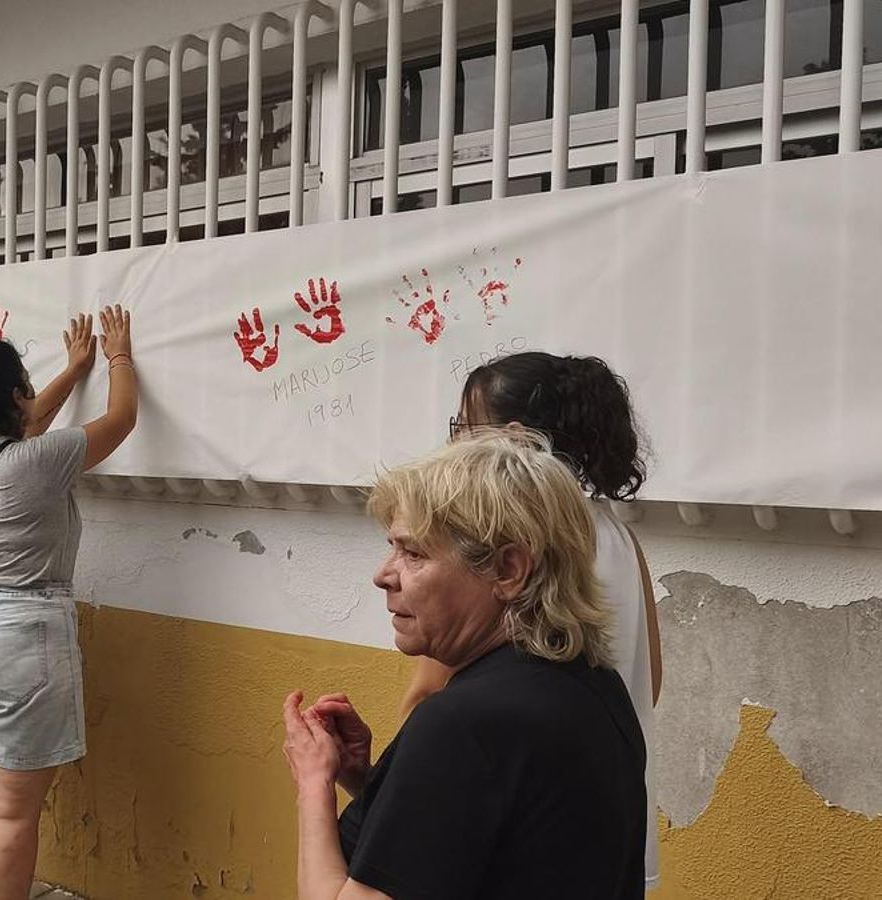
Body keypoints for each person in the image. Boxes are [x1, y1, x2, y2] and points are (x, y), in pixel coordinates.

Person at [282, 431, 646, 899]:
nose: (383, 575)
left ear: (507, 571)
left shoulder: (463, 723)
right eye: (392, 547)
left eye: (413, 553)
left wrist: (314, 784)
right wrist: (375, 781)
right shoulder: (594, 685)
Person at [406, 350, 663, 886]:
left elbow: (431, 695)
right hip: (609, 817)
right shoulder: (616, 534)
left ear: (515, 439)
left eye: (464, 428)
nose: (452, 446)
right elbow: (651, 679)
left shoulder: (510, 543)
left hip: (510, 827)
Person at [0, 308, 136, 900]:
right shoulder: (41, 460)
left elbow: (25, 422)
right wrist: (117, 356)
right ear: (18, 392)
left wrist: (71, 370)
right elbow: (120, 418)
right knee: (12, 814)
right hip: (19, 636)